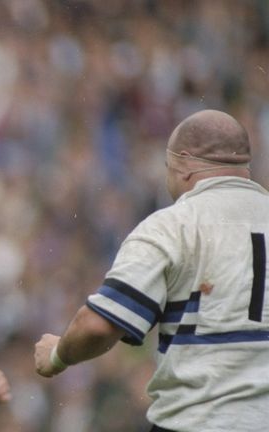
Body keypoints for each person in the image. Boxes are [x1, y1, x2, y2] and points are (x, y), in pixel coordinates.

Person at [34, 109, 269, 432]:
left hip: (197, 421)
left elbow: (100, 326)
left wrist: (58, 354)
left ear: (184, 163)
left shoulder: (171, 226)